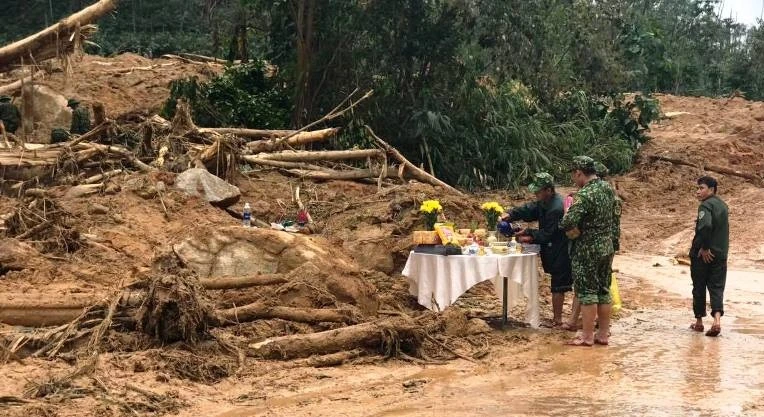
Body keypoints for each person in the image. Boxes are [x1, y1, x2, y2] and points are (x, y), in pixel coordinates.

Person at [560, 156, 619, 346]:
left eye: (574, 175)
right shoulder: (607, 189)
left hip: (587, 249)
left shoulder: (585, 195)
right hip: (606, 246)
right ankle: (602, 334)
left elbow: (568, 221)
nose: (574, 180)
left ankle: (586, 336)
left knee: (587, 292)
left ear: (579, 172)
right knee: (603, 290)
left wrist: (572, 228)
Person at [501, 172, 572, 327]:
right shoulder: (545, 202)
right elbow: (530, 210)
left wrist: (528, 234)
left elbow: (547, 234)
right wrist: (511, 214)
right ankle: (560, 318)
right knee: (556, 280)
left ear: (548, 190)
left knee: (558, 284)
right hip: (552, 247)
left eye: (538, 191)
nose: (535, 194)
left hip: (561, 248)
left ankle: (558, 319)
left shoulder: (556, 208)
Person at [689, 176, 729, 337]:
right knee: (717, 287)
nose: (698, 192)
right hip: (720, 254)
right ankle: (717, 321)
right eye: (697, 189)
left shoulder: (705, 206)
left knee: (699, 287)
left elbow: (705, 226)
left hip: (703, 254)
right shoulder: (723, 205)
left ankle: (699, 322)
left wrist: (704, 248)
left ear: (711, 190)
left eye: (701, 188)